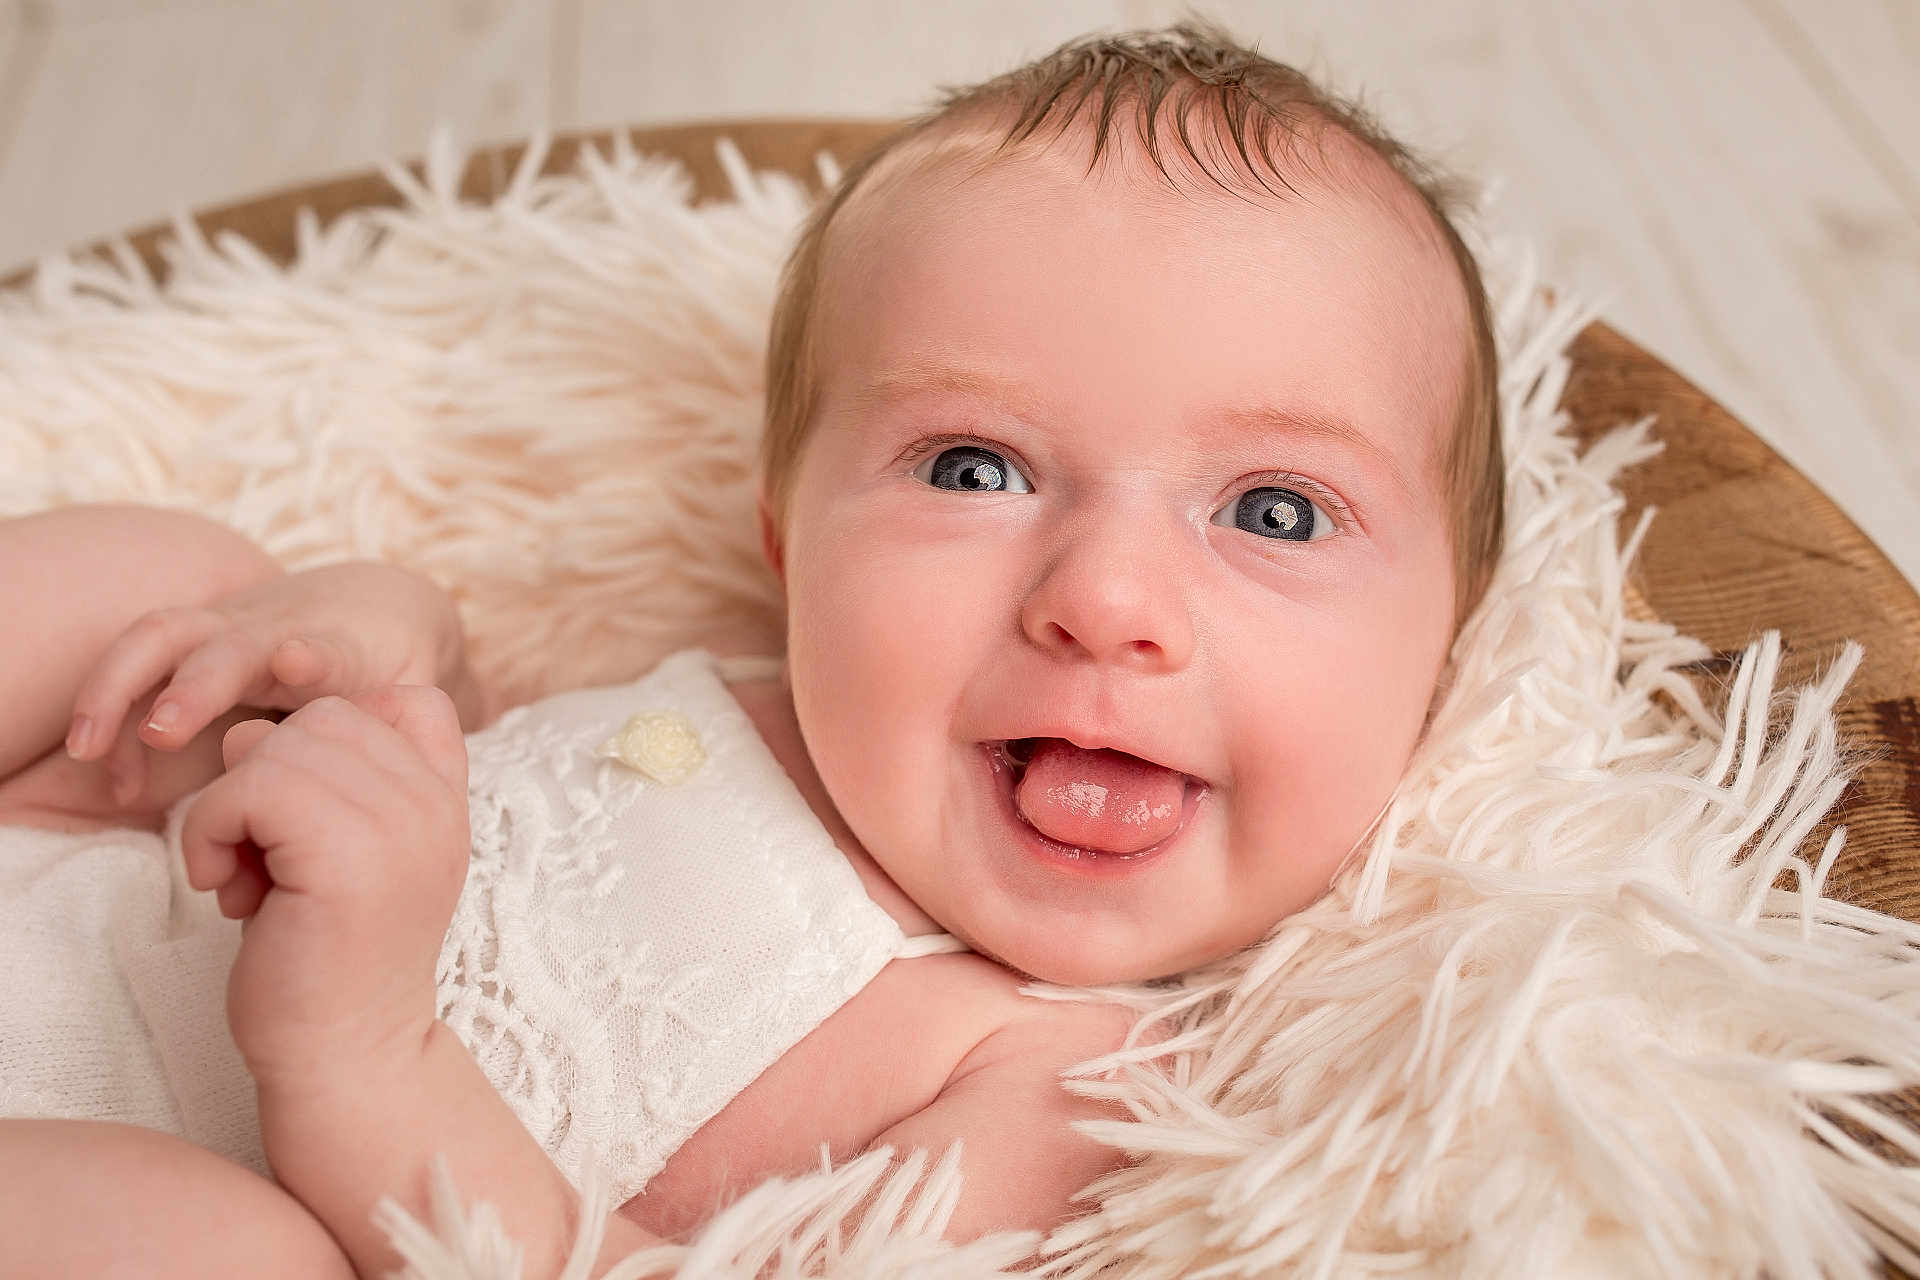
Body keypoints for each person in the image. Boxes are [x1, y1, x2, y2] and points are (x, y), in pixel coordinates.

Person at [0, 21, 1501, 1276]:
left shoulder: (1069, 1090)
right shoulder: (755, 704)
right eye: (975, 470)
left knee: (231, 1255)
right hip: (68, 862)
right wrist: (379, 651)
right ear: (793, 541)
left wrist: (371, 1051)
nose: (1105, 599)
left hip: (107, 1156)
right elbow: (495, 773)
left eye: (1278, 510)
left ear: (1450, 641)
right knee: (180, 574)